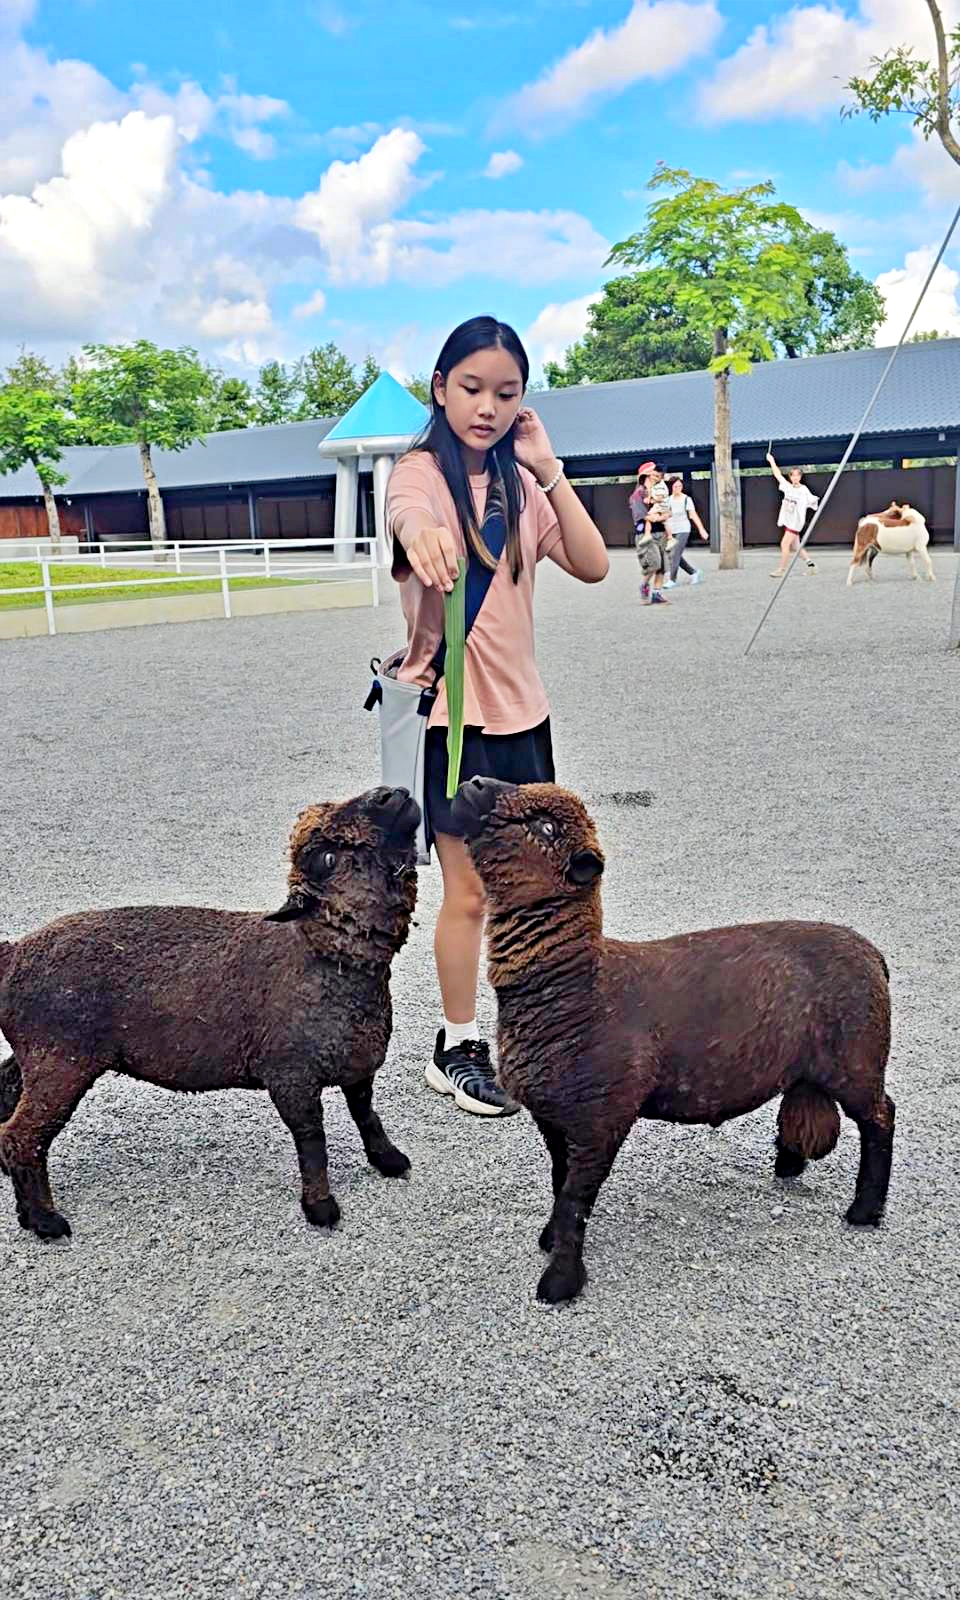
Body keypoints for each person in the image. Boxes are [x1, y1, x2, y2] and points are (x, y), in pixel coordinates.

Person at [386, 316, 609, 1117]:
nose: (487, 406)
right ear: (440, 388)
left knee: (534, 886)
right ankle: (456, 1044)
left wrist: (550, 471)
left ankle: (536, 1025)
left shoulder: (521, 483)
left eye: (507, 393)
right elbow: (409, 515)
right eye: (471, 388)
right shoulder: (418, 472)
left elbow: (592, 564)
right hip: (457, 719)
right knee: (469, 891)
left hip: (525, 715)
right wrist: (425, 536)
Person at [767, 452, 818, 575]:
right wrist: (771, 461)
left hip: (795, 523)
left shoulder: (803, 490)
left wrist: (811, 501)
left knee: (784, 544)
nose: (795, 478)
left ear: (800, 477)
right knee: (796, 547)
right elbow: (777, 475)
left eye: (797, 475)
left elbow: (812, 500)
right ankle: (812, 566)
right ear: (790, 477)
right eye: (793, 475)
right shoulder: (787, 487)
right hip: (788, 521)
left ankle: (782, 570)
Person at [663, 477, 709, 587]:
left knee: (675, 554)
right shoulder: (668, 500)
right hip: (671, 530)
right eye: (675, 486)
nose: (678, 488)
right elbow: (665, 517)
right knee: (674, 555)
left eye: (680, 486)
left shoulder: (686, 499)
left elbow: (693, 515)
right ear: (671, 488)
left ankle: (672, 580)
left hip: (683, 529)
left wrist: (701, 529)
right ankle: (694, 572)